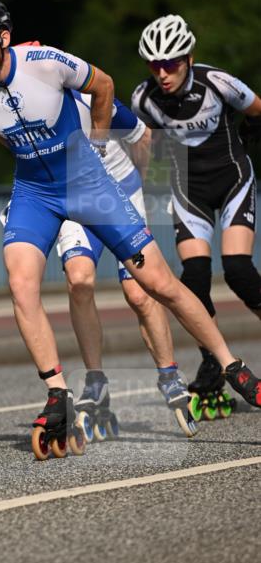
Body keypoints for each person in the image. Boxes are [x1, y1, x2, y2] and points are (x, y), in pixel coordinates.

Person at [0, 0, 261, 460]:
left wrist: (102, 152)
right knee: (30, 282)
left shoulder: (47, 64)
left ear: (3, 38)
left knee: (154, 285)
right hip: (35, 191)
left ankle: (231, 366)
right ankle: (59, 392)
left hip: (93, 183)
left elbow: (111, 93)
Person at [132, 14, 261, 416]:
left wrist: (249, 137)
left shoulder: (217, 82)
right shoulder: (143, 98)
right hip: (189, 190)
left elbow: (257, 109)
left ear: (188, 58)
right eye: (154, 65)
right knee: (195, 278)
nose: (162, 73)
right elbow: (146, 151)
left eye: (171, 63)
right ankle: (213, 364)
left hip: (233, 179)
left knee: (238, 269)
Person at [55, 93, 196, 438]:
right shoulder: (24, 104)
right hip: (73, 199)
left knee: (139, 292)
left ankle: (169, 374)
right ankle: (95, 381)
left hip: (119, 193)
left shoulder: (89, 94)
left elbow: (144, 138)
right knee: (79, 280)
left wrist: (142, 188)